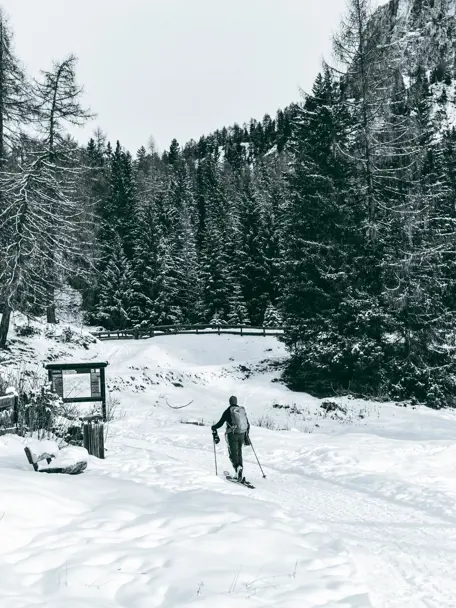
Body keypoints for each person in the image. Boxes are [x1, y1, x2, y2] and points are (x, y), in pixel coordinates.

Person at [211, 395, 251, 481]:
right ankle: (239, 471)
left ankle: (237, 468)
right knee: (239, 452)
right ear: (236, 402)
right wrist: (247, 436)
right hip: (242, 434)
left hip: (232, 434)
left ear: (230, 402)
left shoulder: (228, 411)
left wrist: (213, 427)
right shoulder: (241, 410)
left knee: (232, 454)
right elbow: (248, 424)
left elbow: (220, 423)